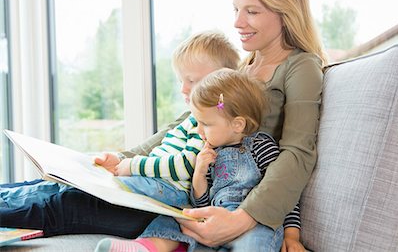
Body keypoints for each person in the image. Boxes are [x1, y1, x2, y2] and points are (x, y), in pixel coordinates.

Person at [0, 30, 240, 237]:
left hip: (157, 199)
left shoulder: (207, 125)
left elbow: (185, 165)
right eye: (181, 80)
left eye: (192, 81)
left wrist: (131, 165)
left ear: (219, 84)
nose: (183, 89)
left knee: (62, 200)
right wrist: (121, 161)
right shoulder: (190, 119)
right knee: (48, 186)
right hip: (147, 186)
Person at [174, 0, 326, 252]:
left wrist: (242, 219)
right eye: (236, 10)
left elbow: (298, 153)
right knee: (73, 201)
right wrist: (126, 158)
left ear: (285, 13)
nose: (237, 23)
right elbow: (188, 119)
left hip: (243, 205)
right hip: (203, 189)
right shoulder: (243, 69)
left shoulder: (301, 66)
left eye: (252, 12)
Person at [96, 69, 301, 252]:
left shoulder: (262, 147)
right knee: (173, 218)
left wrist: (292, 235)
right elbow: (200, 202)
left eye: (205, 124)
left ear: (238, 124)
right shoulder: (208, 151)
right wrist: (200, 174)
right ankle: (146, 247)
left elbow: (285, 195)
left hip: (253, 224)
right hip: (210, 219)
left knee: (254, 243)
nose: (199, 130)